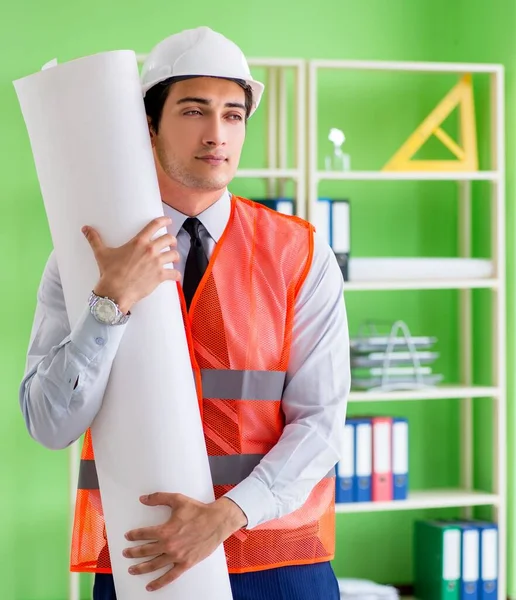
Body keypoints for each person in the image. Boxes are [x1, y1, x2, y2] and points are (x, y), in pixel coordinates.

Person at [19, 26, 350, 600]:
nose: (216, 134)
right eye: (194, 111)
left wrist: (223, 518)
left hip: (276, 563)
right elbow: (49, 424)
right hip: (143, 563)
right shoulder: (83, 259)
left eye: (233, 115)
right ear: (148, 124)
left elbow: (320, 425)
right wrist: (109, 303)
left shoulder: (300, 253)